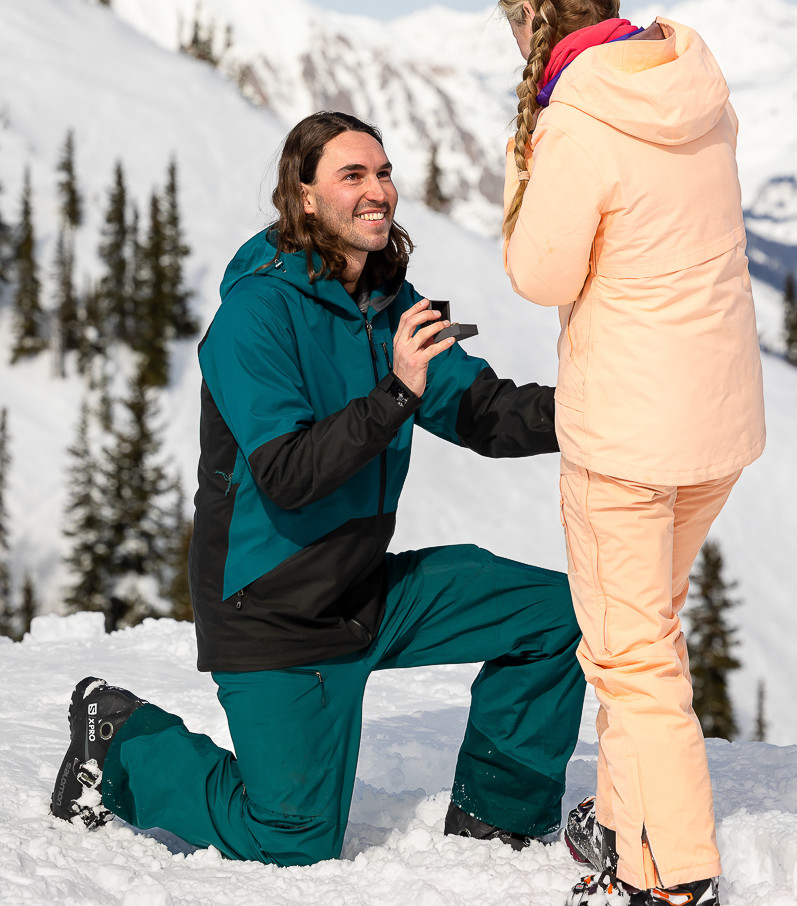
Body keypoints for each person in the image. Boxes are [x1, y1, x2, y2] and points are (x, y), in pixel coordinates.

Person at [51, 110, 585, 865]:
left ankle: (496, 818)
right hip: (272, 609)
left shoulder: (388, 302)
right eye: (353, 175)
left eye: (384, 172)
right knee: (292, 840)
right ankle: (122, 739)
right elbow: (290, 475)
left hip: (364, 590)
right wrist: (396, 392)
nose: (379, 191)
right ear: (304, 196)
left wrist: (595, 409)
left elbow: (481, 413)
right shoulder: (255, 316)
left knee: (555, 615)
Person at [499, 0, 765, 906]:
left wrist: (522, 146)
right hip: (714, 424)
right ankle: (622, 823)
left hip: (625, 433)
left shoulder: (579, 119)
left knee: (627, 650)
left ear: (530, 23)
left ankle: (667, 872)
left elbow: (539, 271)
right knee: (639, 631)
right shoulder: (693, 85)